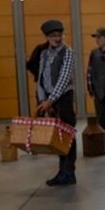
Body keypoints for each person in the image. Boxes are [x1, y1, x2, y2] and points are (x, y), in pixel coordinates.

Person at [36, 19, 78, 186]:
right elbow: (41, 78)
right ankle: (62, 171)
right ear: (47, 37)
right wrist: (42, 99)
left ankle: (69, 172)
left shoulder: (68, 52)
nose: (57, 38)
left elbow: (64, 78)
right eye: (53, 35)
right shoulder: (44, 54)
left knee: (67, 136)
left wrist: (51, 99)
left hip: (63, 99)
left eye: (59, 34)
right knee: (57, 138)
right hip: (49, 101)